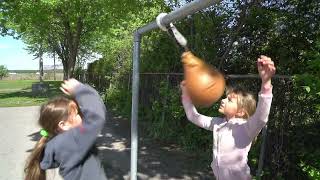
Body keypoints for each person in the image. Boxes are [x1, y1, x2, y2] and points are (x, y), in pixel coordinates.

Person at [180, 55, 276, 180]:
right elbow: (193, 117)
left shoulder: (246, 128)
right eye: (226, 97)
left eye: (230, 100)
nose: (223, 100)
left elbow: (262, 117)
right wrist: (186, 95)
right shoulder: (218, 124)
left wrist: (266, 83)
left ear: (241, 111)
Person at [24, 79, 108, 180]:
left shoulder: (59, 143)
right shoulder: (73, 140)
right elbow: (96, 117)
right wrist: (79, 89)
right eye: (77, 113)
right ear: (63, 125)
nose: (81, 115)